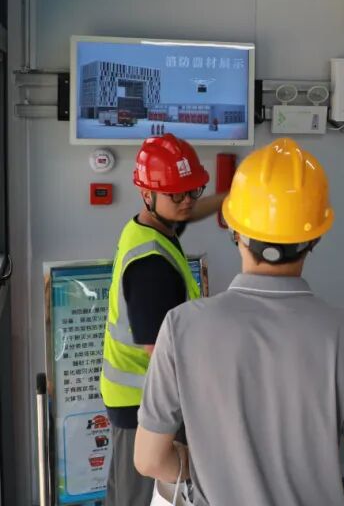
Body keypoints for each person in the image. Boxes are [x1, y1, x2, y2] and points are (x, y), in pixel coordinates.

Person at [133, 138, 344, 506]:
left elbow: (149, 460)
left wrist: (193, 466)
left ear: (236, 232)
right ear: (314, 238)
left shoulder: (181, 326)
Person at [100, 134, 225, 506]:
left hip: (134, 396)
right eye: (177, 194)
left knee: (125, 488)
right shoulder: (152, 266)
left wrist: (231, 198)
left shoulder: (149, 226)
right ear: (147, 194)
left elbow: (189, 211)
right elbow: (160, 355)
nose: (188, 201)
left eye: (193, 191)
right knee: (140, 494)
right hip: (143, 401)